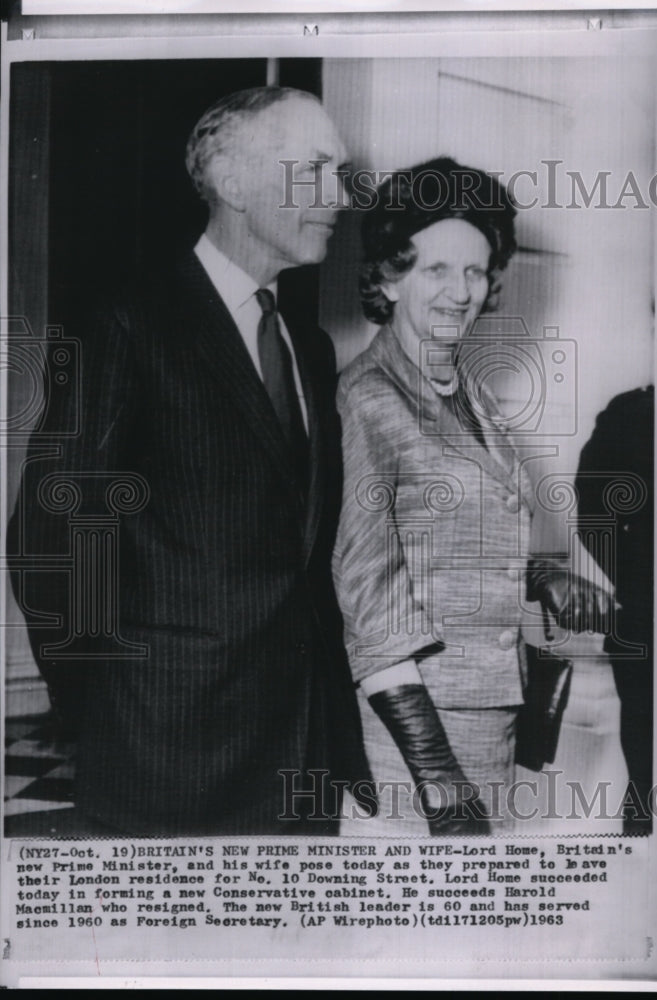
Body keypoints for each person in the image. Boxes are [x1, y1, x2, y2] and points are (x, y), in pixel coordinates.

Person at [7, 86, 373, 836]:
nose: (339, 195)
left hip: (299, 748)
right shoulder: (127, 322)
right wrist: (111, 709)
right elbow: (48, 543)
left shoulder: (310, 345)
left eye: (341, 171)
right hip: (165, 749)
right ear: (234, 184)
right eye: (315, 169)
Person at [334, 158, 605, 834]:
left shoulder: (461, 388)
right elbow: (368, 589)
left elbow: (448, 531)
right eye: (436, 270)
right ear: (388, 279)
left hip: (489, 707)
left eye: (475, 271)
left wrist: (542, 575)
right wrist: (436, 773)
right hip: (417, 726)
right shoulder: (370, 396)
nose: (461, 292)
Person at [576, 386, 654, 833]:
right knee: (654, 778)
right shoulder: (636, 412)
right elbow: (593, 511)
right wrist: (639, 584)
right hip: (649, 625)